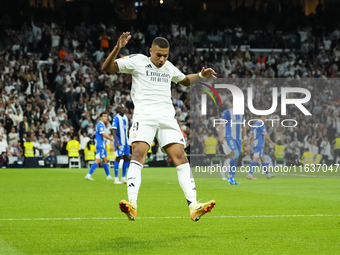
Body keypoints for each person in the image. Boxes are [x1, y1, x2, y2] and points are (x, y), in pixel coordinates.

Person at [102, 33, 216, 221]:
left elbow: (185, 81)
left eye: (165, 55)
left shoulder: (169, 67)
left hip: (167, 117)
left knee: (180, 156)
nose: (162, 59)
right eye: (158, 55)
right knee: (138, 154)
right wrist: (117, 48)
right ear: (151, 52)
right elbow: (107, 67)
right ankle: (132, 204)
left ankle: (194, 206)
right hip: (145, 115)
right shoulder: (138, 61)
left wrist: (200, 75)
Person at [218, 101, 247, 185]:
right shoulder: (228, 112)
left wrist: (245, 136)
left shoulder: (241, 114)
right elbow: (220, 124)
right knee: (235, 154)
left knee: (236, 158)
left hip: (239, 138)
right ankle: (229, 176)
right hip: (230, 136)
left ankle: (232, 178)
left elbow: (244, 125)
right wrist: (221, 136)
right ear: (232, 104)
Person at [85, 112, 115, 181]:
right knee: (98, 160)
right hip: (100, 145)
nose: (106, 117)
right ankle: (88, 175)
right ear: (101, 117)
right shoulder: (100, 124)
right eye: (104, 116)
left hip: (103, 146)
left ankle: (108, 176)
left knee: (105, 160)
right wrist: (111, 139)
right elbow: (103, 134)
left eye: (106, 116)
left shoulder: (102, 124)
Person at [111, 104, 130, 184]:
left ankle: (123, 177)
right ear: (118, 110)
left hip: (126, 141)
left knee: (127, 158)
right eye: (120, 108)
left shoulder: (126, 117)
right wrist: (116, 142)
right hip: (119, 141)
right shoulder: (116, 118)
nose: (122, 109)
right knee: (118, 157)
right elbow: (114, 130)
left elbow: (127, 129)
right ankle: (116, 179)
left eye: (123, 108)